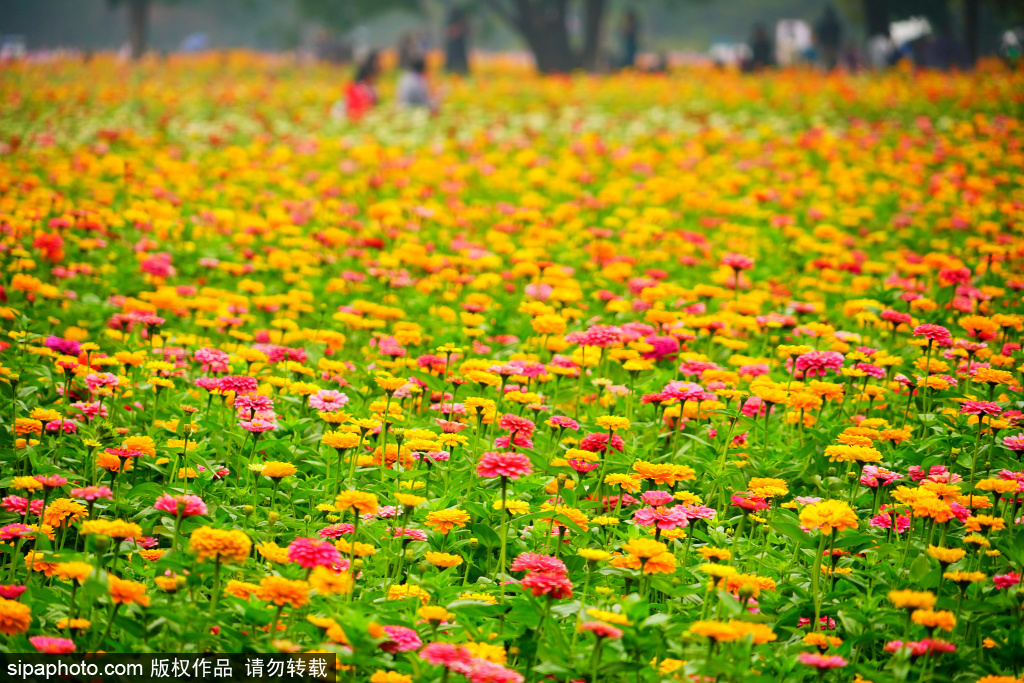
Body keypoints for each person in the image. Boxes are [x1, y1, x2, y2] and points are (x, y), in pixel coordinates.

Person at [345, 51, 380, 121]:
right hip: (356, 118)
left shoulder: (371, 88)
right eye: (372, 77)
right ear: (366, 77)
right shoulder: (358, 89)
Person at [815, 5, 842, 71]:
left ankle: (829, 71)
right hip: (832, 44)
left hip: (826, 44)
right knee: (831, 59)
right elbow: (839, 33)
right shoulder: (835, 22)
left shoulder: (823, 23)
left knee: (827, 59)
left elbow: (819, 33)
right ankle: (832, 71)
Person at [445, 7, 469, 75]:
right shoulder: (453, 22)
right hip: (454, 46)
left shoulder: (459, 22)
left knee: (460, 62)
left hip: (459, 46)